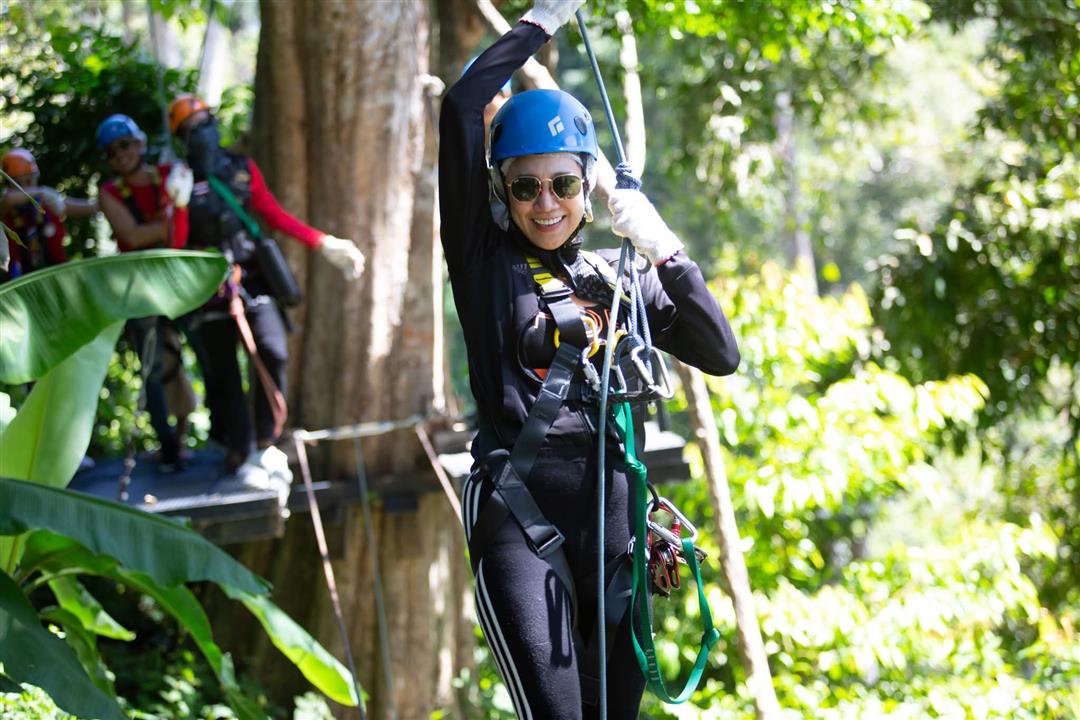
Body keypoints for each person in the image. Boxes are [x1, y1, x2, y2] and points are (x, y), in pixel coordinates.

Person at [439, 2, 740, 718]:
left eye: (564, 184)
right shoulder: (485, 264)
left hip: (613, 525)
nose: (545, 203)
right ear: (500, 191)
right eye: (525, 186)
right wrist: (543, 19)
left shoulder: (621, 276)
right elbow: (461, 105)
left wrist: (666, 252)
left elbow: (720, 353)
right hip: (518, 515)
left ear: (586, 185)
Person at [168, 93, 366, 485]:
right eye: (192, 128)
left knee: (272, 351)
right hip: (207, 290)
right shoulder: (179, 181)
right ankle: (240, 449)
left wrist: (324, 243)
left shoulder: (240, 169)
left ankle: (265, 442)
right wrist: (177, 205)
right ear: (182, 139)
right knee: (224, 373)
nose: (202, 132)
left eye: (205, 123)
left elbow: (273, 214)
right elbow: (175, 245)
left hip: (250, 279)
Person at [97, 113, 195, 471]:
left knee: (187, 356)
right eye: (112, 151)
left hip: (179, 284)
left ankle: (188, 436)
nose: (121, 154)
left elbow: (181, 229)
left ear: (139, 143)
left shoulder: (168, 175)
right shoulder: (110, 194)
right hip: (140, 291)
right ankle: (168, 447)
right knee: (153, 367)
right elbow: (133, 236)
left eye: (125, 145)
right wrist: (171, 218)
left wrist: (177, 203)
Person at [1, 148, 98, 281]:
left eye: (29, 181)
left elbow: (87, 207)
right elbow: (8, 200)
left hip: (56, 276)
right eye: (17, 183)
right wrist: (42, 192)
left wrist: (105, 202)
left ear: (36, 177)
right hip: (20, 281)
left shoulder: (48, 203)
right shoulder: (6, 207)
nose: (25, 188)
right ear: (8, 184)